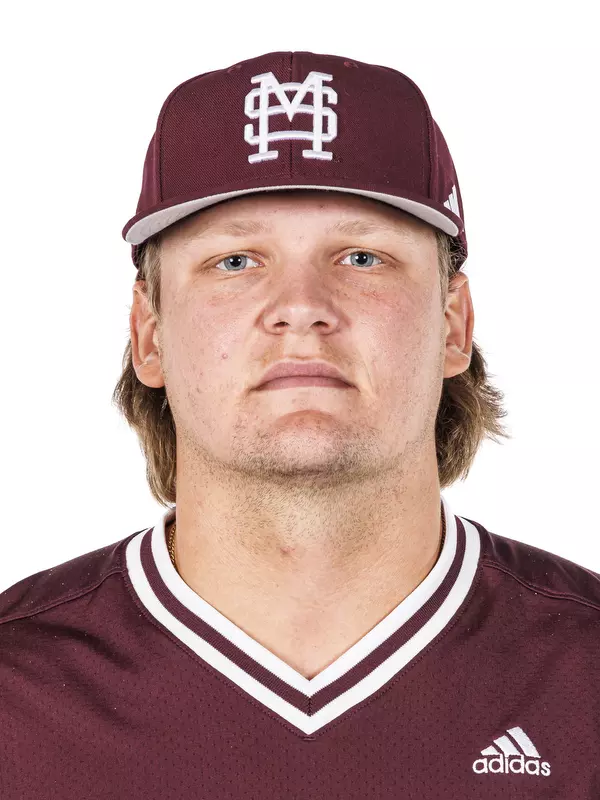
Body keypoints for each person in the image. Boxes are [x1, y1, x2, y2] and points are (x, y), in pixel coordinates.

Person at [1, 51, 598, 799]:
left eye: (360, 256)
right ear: (149, 334)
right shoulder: (15, 696)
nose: (301, 306)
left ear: (454, 325)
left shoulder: (586, 679)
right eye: (236, 261)